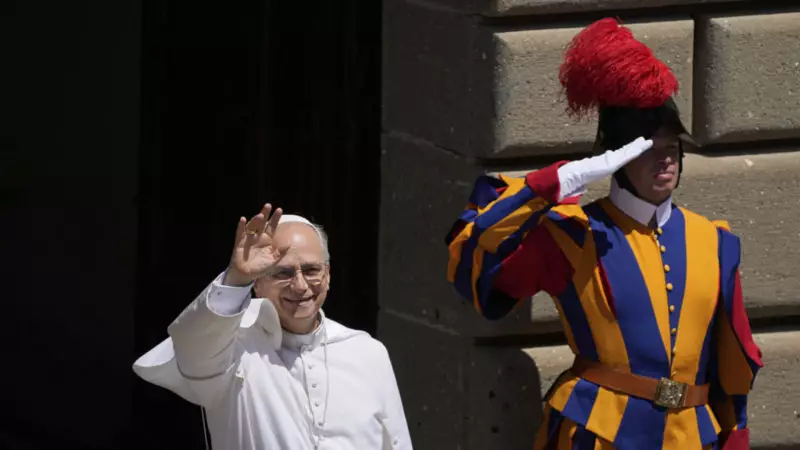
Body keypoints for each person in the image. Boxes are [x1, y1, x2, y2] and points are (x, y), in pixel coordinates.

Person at [444, 18, 762, 450]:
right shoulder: (572, 234)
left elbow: (732, 358)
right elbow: (475, 258)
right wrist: (555, 184)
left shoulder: (715, 241)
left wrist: (736, 434)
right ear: (617, 158)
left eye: (672, 149)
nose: (665, 161)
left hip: (692, 438)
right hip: (598, 435)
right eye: (648, 150)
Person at [134, 204, 412, 450]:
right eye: (283, 273)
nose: (300, 285)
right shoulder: (233, 347)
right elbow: (193, 349)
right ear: (258, 283)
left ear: (328, 275)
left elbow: (397, 442)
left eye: (312, 270)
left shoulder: (367, 352)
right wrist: (236, 277)